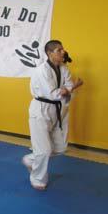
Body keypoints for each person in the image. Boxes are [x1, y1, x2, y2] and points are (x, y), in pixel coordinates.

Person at [22, 40, 83, 190]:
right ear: (50, 53)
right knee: (43, 150)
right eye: (59, 50)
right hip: (40, 110)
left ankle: (30, 160)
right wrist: (71, 87)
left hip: (57, 110)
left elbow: (65, 88)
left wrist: (67, 89)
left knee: (60, 147)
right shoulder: (42, 70)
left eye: (62, 49)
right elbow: (54, 93)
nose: (63, 52)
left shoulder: (64, 68)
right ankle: (37, 180)